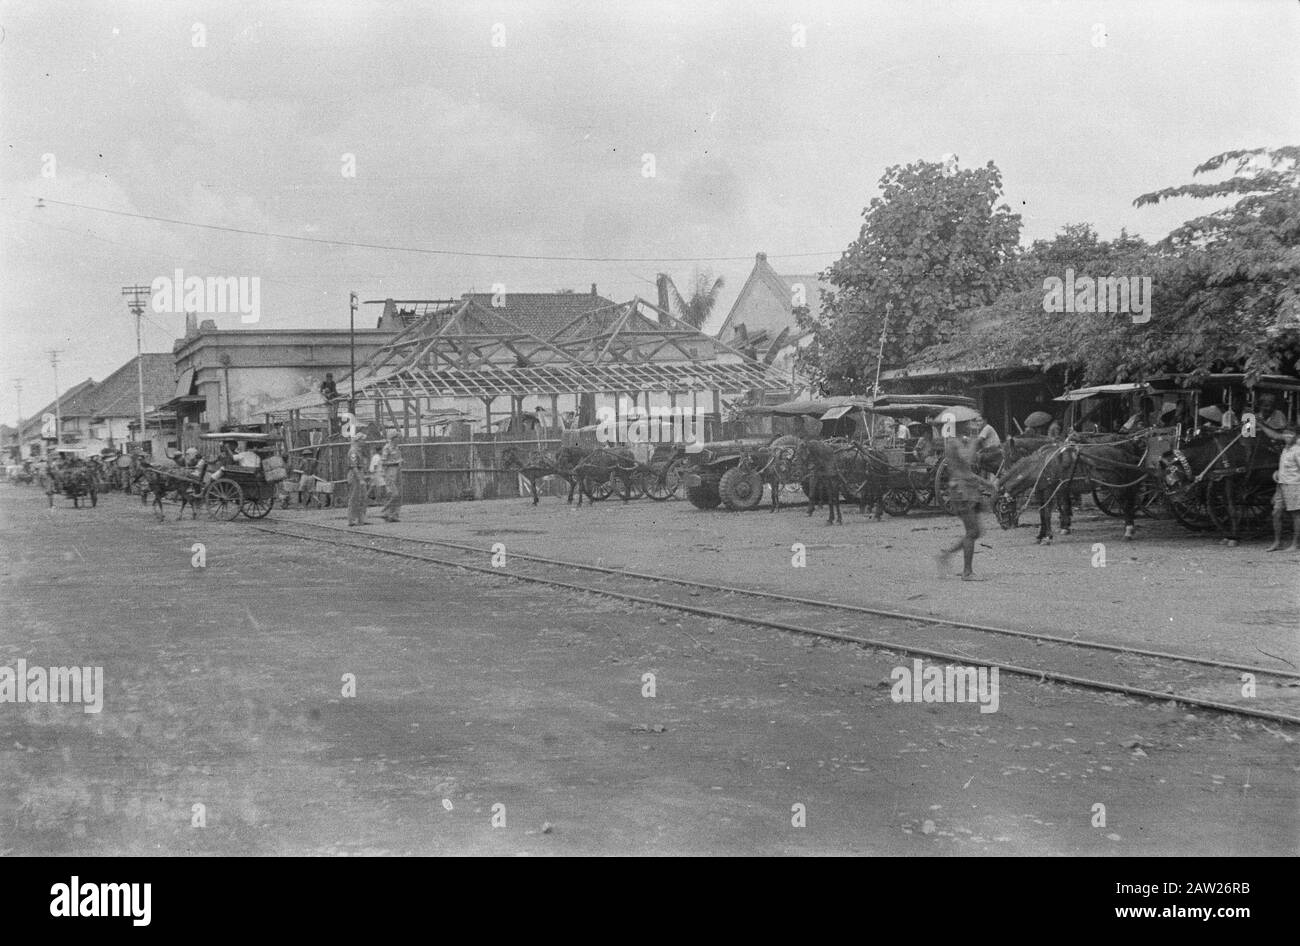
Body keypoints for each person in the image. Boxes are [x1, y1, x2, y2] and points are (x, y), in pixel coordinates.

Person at [936, 424, 993, 580]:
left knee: (976, 531)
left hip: (965, 490)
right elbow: (967, 458)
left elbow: (966, 471)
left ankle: (947, 555)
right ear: (961, 425)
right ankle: (967, 572)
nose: (971, 426)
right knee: (973, 532)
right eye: (968, 423)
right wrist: (974, 443)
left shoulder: (957, 441)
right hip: (962, 492)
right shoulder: (955, 442)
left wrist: (986, 483)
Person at [1266, 425, 1300, 552]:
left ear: (1296, 436)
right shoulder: (1285, 449)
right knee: (1276, 513)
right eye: (1285, 433)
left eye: (1291, 434)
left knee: (1295, 515)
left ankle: (1295, 544)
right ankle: (1277, 542)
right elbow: (1285, 468)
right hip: (1281, 484)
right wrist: (1278, 473)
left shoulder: (1297, 450)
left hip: (1294, 485)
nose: (1287, 436)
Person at [379, 429, 403, 523]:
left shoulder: (397, 448)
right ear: (393, 438)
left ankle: (393, 515)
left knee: (399, 494)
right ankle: (385, 512)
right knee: (394, 494)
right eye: (397, 437)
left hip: (397, 470)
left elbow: (399, 458)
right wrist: (385, 474)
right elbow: (383, 462)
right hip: (390, 471)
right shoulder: (387, 448)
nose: (399, 439)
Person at [346, 433, 369, 527]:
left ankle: (361, 518)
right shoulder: (353, 452)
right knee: (354, 497)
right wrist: (360, 479)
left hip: (360, 474)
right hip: (355, 475)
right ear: (358, 441)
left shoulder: (359, 451)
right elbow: (354, 467)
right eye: (362, 440)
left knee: (362, 497)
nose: (364, 442)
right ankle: (352, 519)